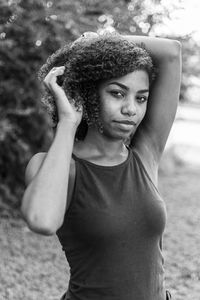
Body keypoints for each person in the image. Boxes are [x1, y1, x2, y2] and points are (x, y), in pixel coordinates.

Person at [21, 31, 182, 300]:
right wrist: (68, 123)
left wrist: (97, 40)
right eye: (117, 94)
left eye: (141, 98)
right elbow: (42, 221)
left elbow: (171, 52)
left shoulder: (145, 154)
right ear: (87, 95)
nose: (131, 109)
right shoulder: (59, 167)